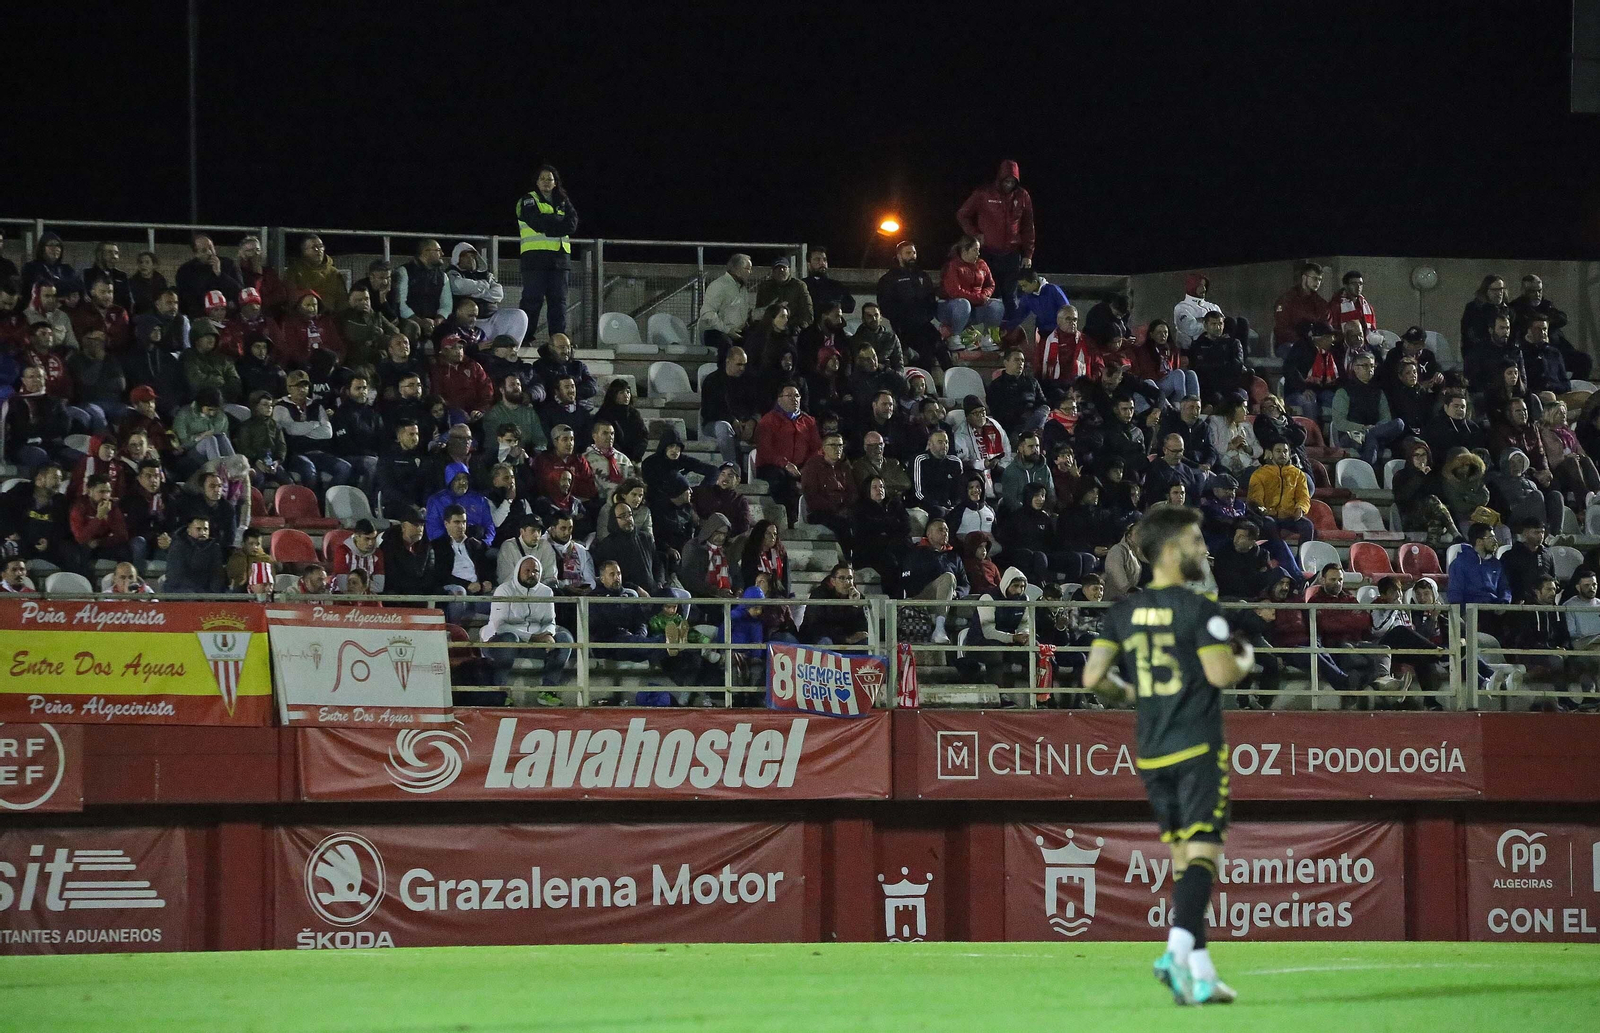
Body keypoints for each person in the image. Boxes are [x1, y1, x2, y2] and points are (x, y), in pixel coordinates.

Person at [1079, 504, 1252, 1006]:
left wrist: (1131, 695)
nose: (1203, 549)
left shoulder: (1122, 611)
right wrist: (1244, 656)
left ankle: (1199, 974)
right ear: (1173, 549)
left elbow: (1093, 680)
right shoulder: (1199, 609)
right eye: (1197, 540)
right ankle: (1176, 952)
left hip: (1151, 750)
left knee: (1182, 860)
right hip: (1196, 746)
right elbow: (1221, 674)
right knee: (1204, 853)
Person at [955, 160, 1034, 324]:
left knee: (1011, 297)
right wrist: (975, 234)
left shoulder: (1022, 196)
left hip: (1012, 254)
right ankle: (989, 334)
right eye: (1006, 181)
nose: (1009, 184)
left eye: (1012, 181)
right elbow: (962, 214)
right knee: (991, 295)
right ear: (1000, 178)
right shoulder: (984, 193)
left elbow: (1028, 225)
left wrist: (1028, 254)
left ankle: (1010, 334)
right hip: (988, 254)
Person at [482, 554, 574, 691]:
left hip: (534, 645)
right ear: (518, 571)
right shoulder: (504, 590)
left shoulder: (546, 592)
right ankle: (498, 692)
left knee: (564, 638)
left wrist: (549, 634)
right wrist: (533, 637)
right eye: (527, 570)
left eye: (535, 571)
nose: (531, 574)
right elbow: (500, 626)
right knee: (509, 638)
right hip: (500, 644)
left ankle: (548, 690)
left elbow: (550, 621)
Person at [515, 165, 578, 341]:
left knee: (559, 302)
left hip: (560, 259)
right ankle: (525, 338)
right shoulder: (528, 199)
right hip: (535, 258)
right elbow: (537, 222)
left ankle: (558, 340)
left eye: (549, 179)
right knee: (532, 301)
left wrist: (551, 223)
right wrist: (558, 222)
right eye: (542, 178)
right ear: (536, 182)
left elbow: (572, 224)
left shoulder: (563, 201)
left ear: (555, 182)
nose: (546, 182)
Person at [755, 383, 821, 524]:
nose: (794, 399)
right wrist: (785, 465)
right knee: (783, 480)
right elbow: (765, 450)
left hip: (801, 466)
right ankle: (790, 520)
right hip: (772, 466)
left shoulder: (808, 421)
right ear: (779, 399)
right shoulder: (768, 421)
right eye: (789, 396)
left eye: (797, 395)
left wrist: (806, 468)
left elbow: (816, 449)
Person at [900, 518, 969, 645]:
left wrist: (956, 593)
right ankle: (939, 628)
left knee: (982, 599)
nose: (945, 533)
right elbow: (908, 580)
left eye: (947, 530)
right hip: (923, 596)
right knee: (948, 577)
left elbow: (965, 584)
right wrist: (940, 587)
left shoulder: (954, 556)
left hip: (951, 597)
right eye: (940, 530)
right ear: (929, 534)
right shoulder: (916, 553)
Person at [1332, 351, 1406, 467]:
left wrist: (1373, 429)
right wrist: (1363, 428)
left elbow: (1386, 417)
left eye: (1372, 366)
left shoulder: (1378, 392)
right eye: (1365, 366)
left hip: (1374, 431)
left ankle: (1370, 440)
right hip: (1352, 435)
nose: (1370, 369)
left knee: (1399, 423)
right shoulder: (1344, 391)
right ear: (1355, 368)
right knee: (1373, 439)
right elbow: (1339, 422)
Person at [876, 241, 942, 370]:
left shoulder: (922, 276)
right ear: (899, 256)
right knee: (921, 356)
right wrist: (902, 319)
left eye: (914, 252)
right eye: (908, 253)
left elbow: (931, 300)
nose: (912, 256)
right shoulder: (889, 279)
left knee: (941, 350)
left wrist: (926, 316)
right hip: (904, 328)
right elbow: (885, 305)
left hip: (924, 325)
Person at [699, 346, 763, 466]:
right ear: (728, 362)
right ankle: (732, 468)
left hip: (744, 422)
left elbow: (757, 405)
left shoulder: (749, 381)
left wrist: (752, 421)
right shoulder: (712, 380)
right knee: (723, 427)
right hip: (715, 423)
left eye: (744, 364)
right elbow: (710, 411)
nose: (742, 368)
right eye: (739, 364)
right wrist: (732, 421)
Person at [431, 503, 494, 621]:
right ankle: (454, 631)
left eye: (464, 522)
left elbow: (486, 569)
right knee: (460, 592)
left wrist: (487, 582)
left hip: (477, 590)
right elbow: (441, 575)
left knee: (502, 594)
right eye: (456, 522)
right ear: (446, 524)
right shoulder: (438, 546)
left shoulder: (475, 544)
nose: (461, 526)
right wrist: (467, 585)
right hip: (454, 589)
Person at [938, 236, 1004, 348]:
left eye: (978, 250)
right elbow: (955, 292)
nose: (978, 253)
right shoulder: (953, 265)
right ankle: (955, 337)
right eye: (975, 250)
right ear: (964, 251)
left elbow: (990, 284)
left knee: (997, 305)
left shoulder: (982, 264)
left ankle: (987, 338)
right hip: (952, 308)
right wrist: (979, 298)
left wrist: (985, 295)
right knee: (963, 303)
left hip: (975, 306)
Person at [1247, 441, 1314, 543]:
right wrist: (1262, 510)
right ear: (1270, 453)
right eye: (1278, 451)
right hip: (1268, 515)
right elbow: (1255, 498)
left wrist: (1301, 508)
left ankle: (1301, 557)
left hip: (1289, 516)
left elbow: (1303, 497)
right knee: (1269, 524)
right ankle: (1277, 553)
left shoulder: (1298, 474)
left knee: (1307, 526)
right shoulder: (1259, 474)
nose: (1282, 454)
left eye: (1285, 451)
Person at [701, 254, 754, 363]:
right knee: (728, 348)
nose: (750, 272)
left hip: (736, 332)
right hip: (717, 332)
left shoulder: (742, 288)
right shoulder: (719, 285)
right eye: (748, 269)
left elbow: (745, 313)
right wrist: (728, 330)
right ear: (738, 270)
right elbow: (707, 314)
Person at [397, 239, 453, 342]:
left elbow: (447, 305)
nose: (442, 254)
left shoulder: (442, 276)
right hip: (410, 320)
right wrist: (420, 322)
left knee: (452, 331)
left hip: (433, 322)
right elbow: (400, 303)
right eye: (438, 250)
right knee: (411, 328)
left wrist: (438, 320)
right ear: (425, 252)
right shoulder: (404, 272)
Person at [175, 235, 243, 318]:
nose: (210, 253)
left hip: (228, 315)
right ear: (196, 254)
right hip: (200, 317)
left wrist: (220, 274)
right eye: (204, 250)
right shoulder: (185, 271)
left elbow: (239, 291)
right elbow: (185, 299)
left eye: (211, 248)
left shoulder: (229, 264)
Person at [1271, 263, 1329, 354]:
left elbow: (1325, 325)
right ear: (1304, 278)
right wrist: (1305, 341)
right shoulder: (1287, 299)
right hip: (1288, 343)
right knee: (1299, 352)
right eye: (1314, 278)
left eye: (1320, 279)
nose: (1317, 282)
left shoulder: (1320, 303)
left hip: (1315, 343)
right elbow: (1282, 329)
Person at [909, 428, 964, 523]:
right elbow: (918, 491)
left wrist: (954, 506)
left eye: (946, 442)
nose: (944, 445)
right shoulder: (920, 460)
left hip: (949, 505)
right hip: (925, 504)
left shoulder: (955, 462)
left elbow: (960, 489)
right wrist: (936, 505)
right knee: (939, 512)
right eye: (940, 442)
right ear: (930, 444)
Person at [164, 514, 226, 594]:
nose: (203, 532)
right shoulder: (178, 546)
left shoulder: (214, 548)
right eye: (198, 529)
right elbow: (175, 576)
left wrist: (212, 595)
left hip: (206, 593)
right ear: (189, 530)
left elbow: (217, 574)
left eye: (206, 529)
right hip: (181, 592)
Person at [755, 257, 813, 330]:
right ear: (773, 271)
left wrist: (801, 327)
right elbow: (759, 309)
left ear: (789, 269)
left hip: (793, 328)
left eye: (784, 268)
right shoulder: (765, 287)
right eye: (778, 268)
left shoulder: (799, 286)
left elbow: (807, 309)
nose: (781, 270)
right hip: (770, 330)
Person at [1461, 274, 1511, 356]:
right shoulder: (1474, 308)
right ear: (1486, 291)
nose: (1499, 293)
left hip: (1503, 354)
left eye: (1501, 289)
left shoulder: (1507, 309)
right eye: (1494, 290)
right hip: (1478, 354)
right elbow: (1470, 334)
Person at [330, 519, 385, 593]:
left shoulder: (377, 553)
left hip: (367, 598)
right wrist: (363, 586)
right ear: (356, 536)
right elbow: (342, 586)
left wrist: (358, 587)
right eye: (367, 539)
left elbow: (379, 587)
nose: (370, 543)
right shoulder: (343, 551)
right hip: (343, 596)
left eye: (373, 538)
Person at [1328, 269, 1376, 336]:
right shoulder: (1335, 306)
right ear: (1345, 285)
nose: (1358, 287)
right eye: (1354, 284)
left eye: (1360, 283)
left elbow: (1372, 330)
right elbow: (1332, 329)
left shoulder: (1367, 307)